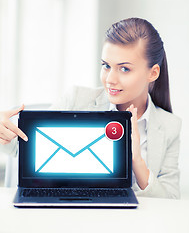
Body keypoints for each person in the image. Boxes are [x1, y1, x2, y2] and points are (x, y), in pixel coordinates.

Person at [0, 17, 182, 199]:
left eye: (124, 69)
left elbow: (170, 199)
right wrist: (3, 132)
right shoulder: (76, 99)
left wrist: (137, 161)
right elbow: (23, 148)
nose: (110, 79)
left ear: (153, 73)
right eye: (106, 66)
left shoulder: (169, 126)